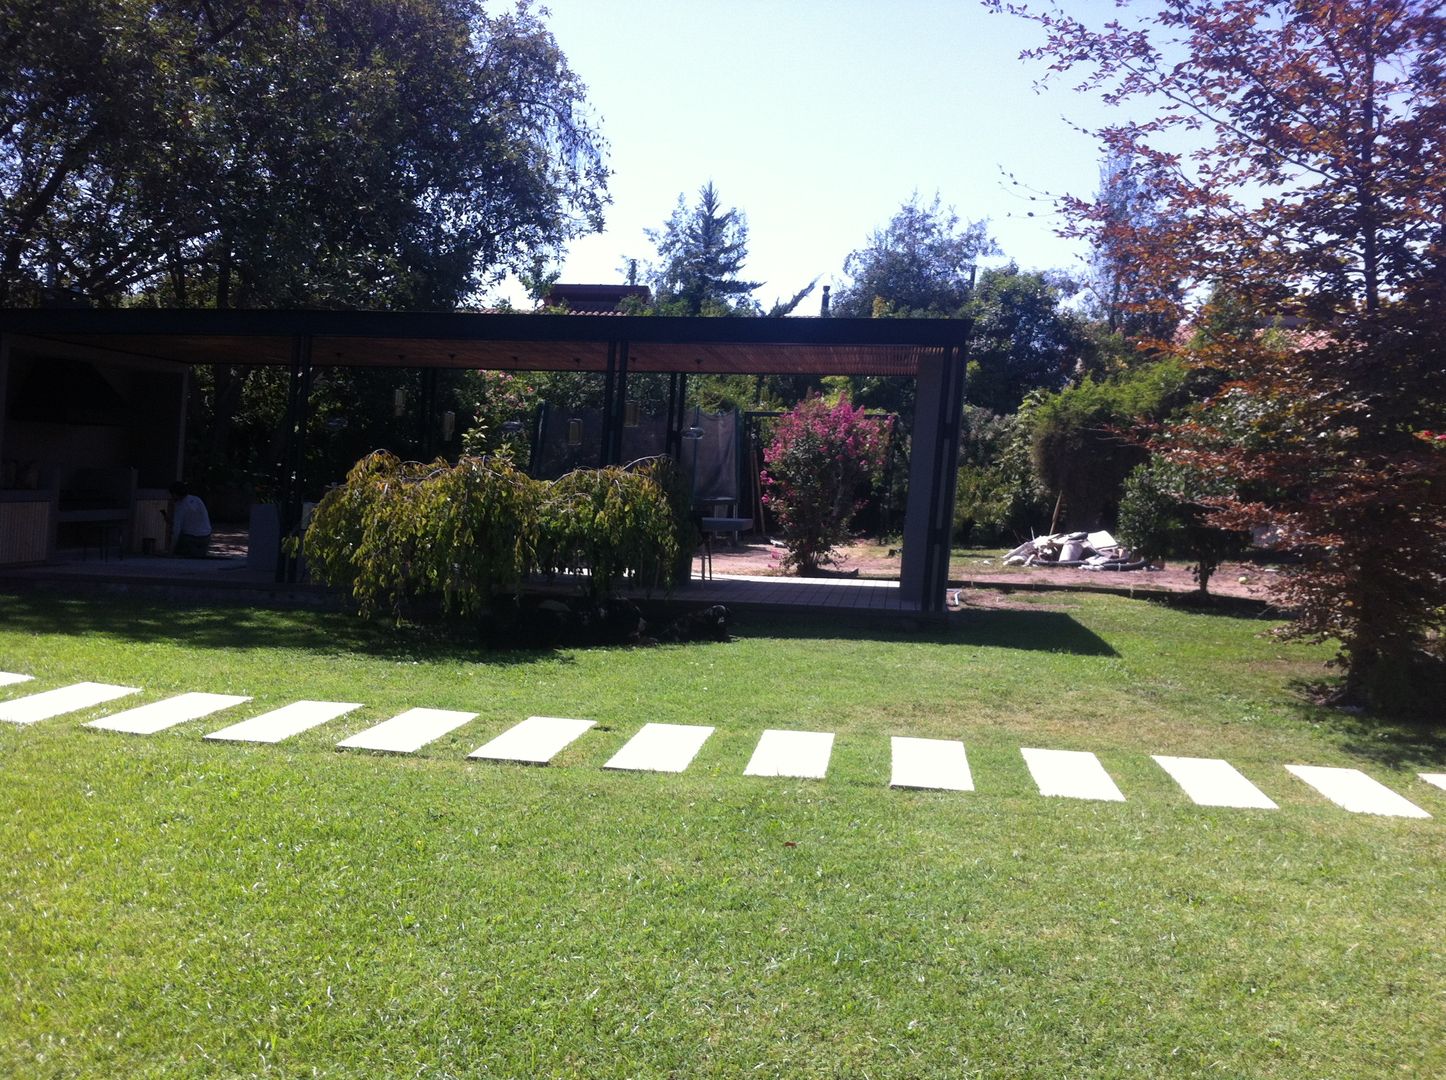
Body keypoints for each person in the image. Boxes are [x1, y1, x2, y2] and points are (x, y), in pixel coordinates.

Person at [163, 481, 212, 557]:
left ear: (175, 494)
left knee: (180, 548)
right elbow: (193, 521)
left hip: (190, 539)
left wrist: (171, 550)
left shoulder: (180, 506)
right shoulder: (197, 499)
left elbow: (176, 531)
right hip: (206, 537)